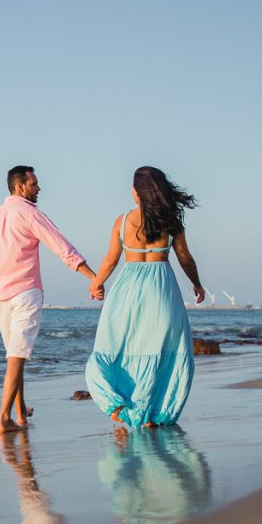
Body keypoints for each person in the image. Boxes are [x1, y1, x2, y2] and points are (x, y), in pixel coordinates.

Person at [0, 165, 99, 433]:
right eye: (34, 184)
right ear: (20, 187)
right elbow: (61, 246)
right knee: (16, 356)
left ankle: (20, 413)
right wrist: (92, 276)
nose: (39, 188)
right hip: (25, 294)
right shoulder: (30, 214)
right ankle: (4, 419)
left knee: (14, 356)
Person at [84, 166, 206, 429]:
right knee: (159, 352)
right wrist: (197, 284)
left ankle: (123, 407)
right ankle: (152, 413)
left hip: (127, 291)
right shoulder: (171, 222)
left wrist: (96, 284)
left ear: (136, 193)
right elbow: (185, 258)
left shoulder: (123, 221)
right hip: (161, 289)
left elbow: (110, 261)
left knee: (119, 347)